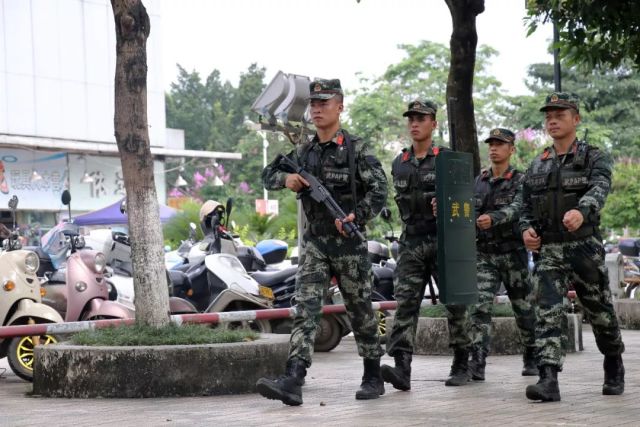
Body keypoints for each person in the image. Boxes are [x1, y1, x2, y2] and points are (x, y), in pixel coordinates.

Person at [256, 78, 388, 406]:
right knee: (306, 306)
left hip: (349, 243)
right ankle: (294, 377)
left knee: (360, 309)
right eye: (313, 104)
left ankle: (373, 374)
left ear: (340, 106)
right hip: (316, 241)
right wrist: (286, 179)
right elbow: (267, 175)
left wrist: (358, 215)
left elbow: (380, 190)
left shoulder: (357, 149)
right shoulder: (305, 151)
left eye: (324, 103)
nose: (316, 108)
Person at [494, 92, 625, 402]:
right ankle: (548, 378)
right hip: (550, 249)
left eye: (560, 114)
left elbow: (600, 187)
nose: (552, 119)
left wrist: (583, 209)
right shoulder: (537, 165)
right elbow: (523, 206)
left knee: (600, 311)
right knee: (547, 311)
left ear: (576, 119)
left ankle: (613, 361)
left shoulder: (594, 156)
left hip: (584, 247)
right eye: (549, 115)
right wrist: (526, 229)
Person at [450, 128, 538, 385]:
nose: (494, 148)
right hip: (485, 255)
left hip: (513, 254)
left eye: (500, 144)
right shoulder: (478, 181)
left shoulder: (521, 180)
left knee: (524, 309)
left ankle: (531, 355)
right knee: (479, 310)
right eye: (491, 144)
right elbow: (465, 209)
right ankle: (477, 362)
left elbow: (518, 208)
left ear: (511, 149)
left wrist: (495, 218)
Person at [381, 99, 448, 391]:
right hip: (411, 241)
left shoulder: (447, 159)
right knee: (406, 303)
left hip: (443, 240)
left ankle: (464, 360)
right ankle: (402, 367)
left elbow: (465, 203)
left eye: (421, 118)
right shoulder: (400, 162)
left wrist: (446, 205)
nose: (415, 123)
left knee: (455, 304)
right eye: (411, 119)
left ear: (434, 123)